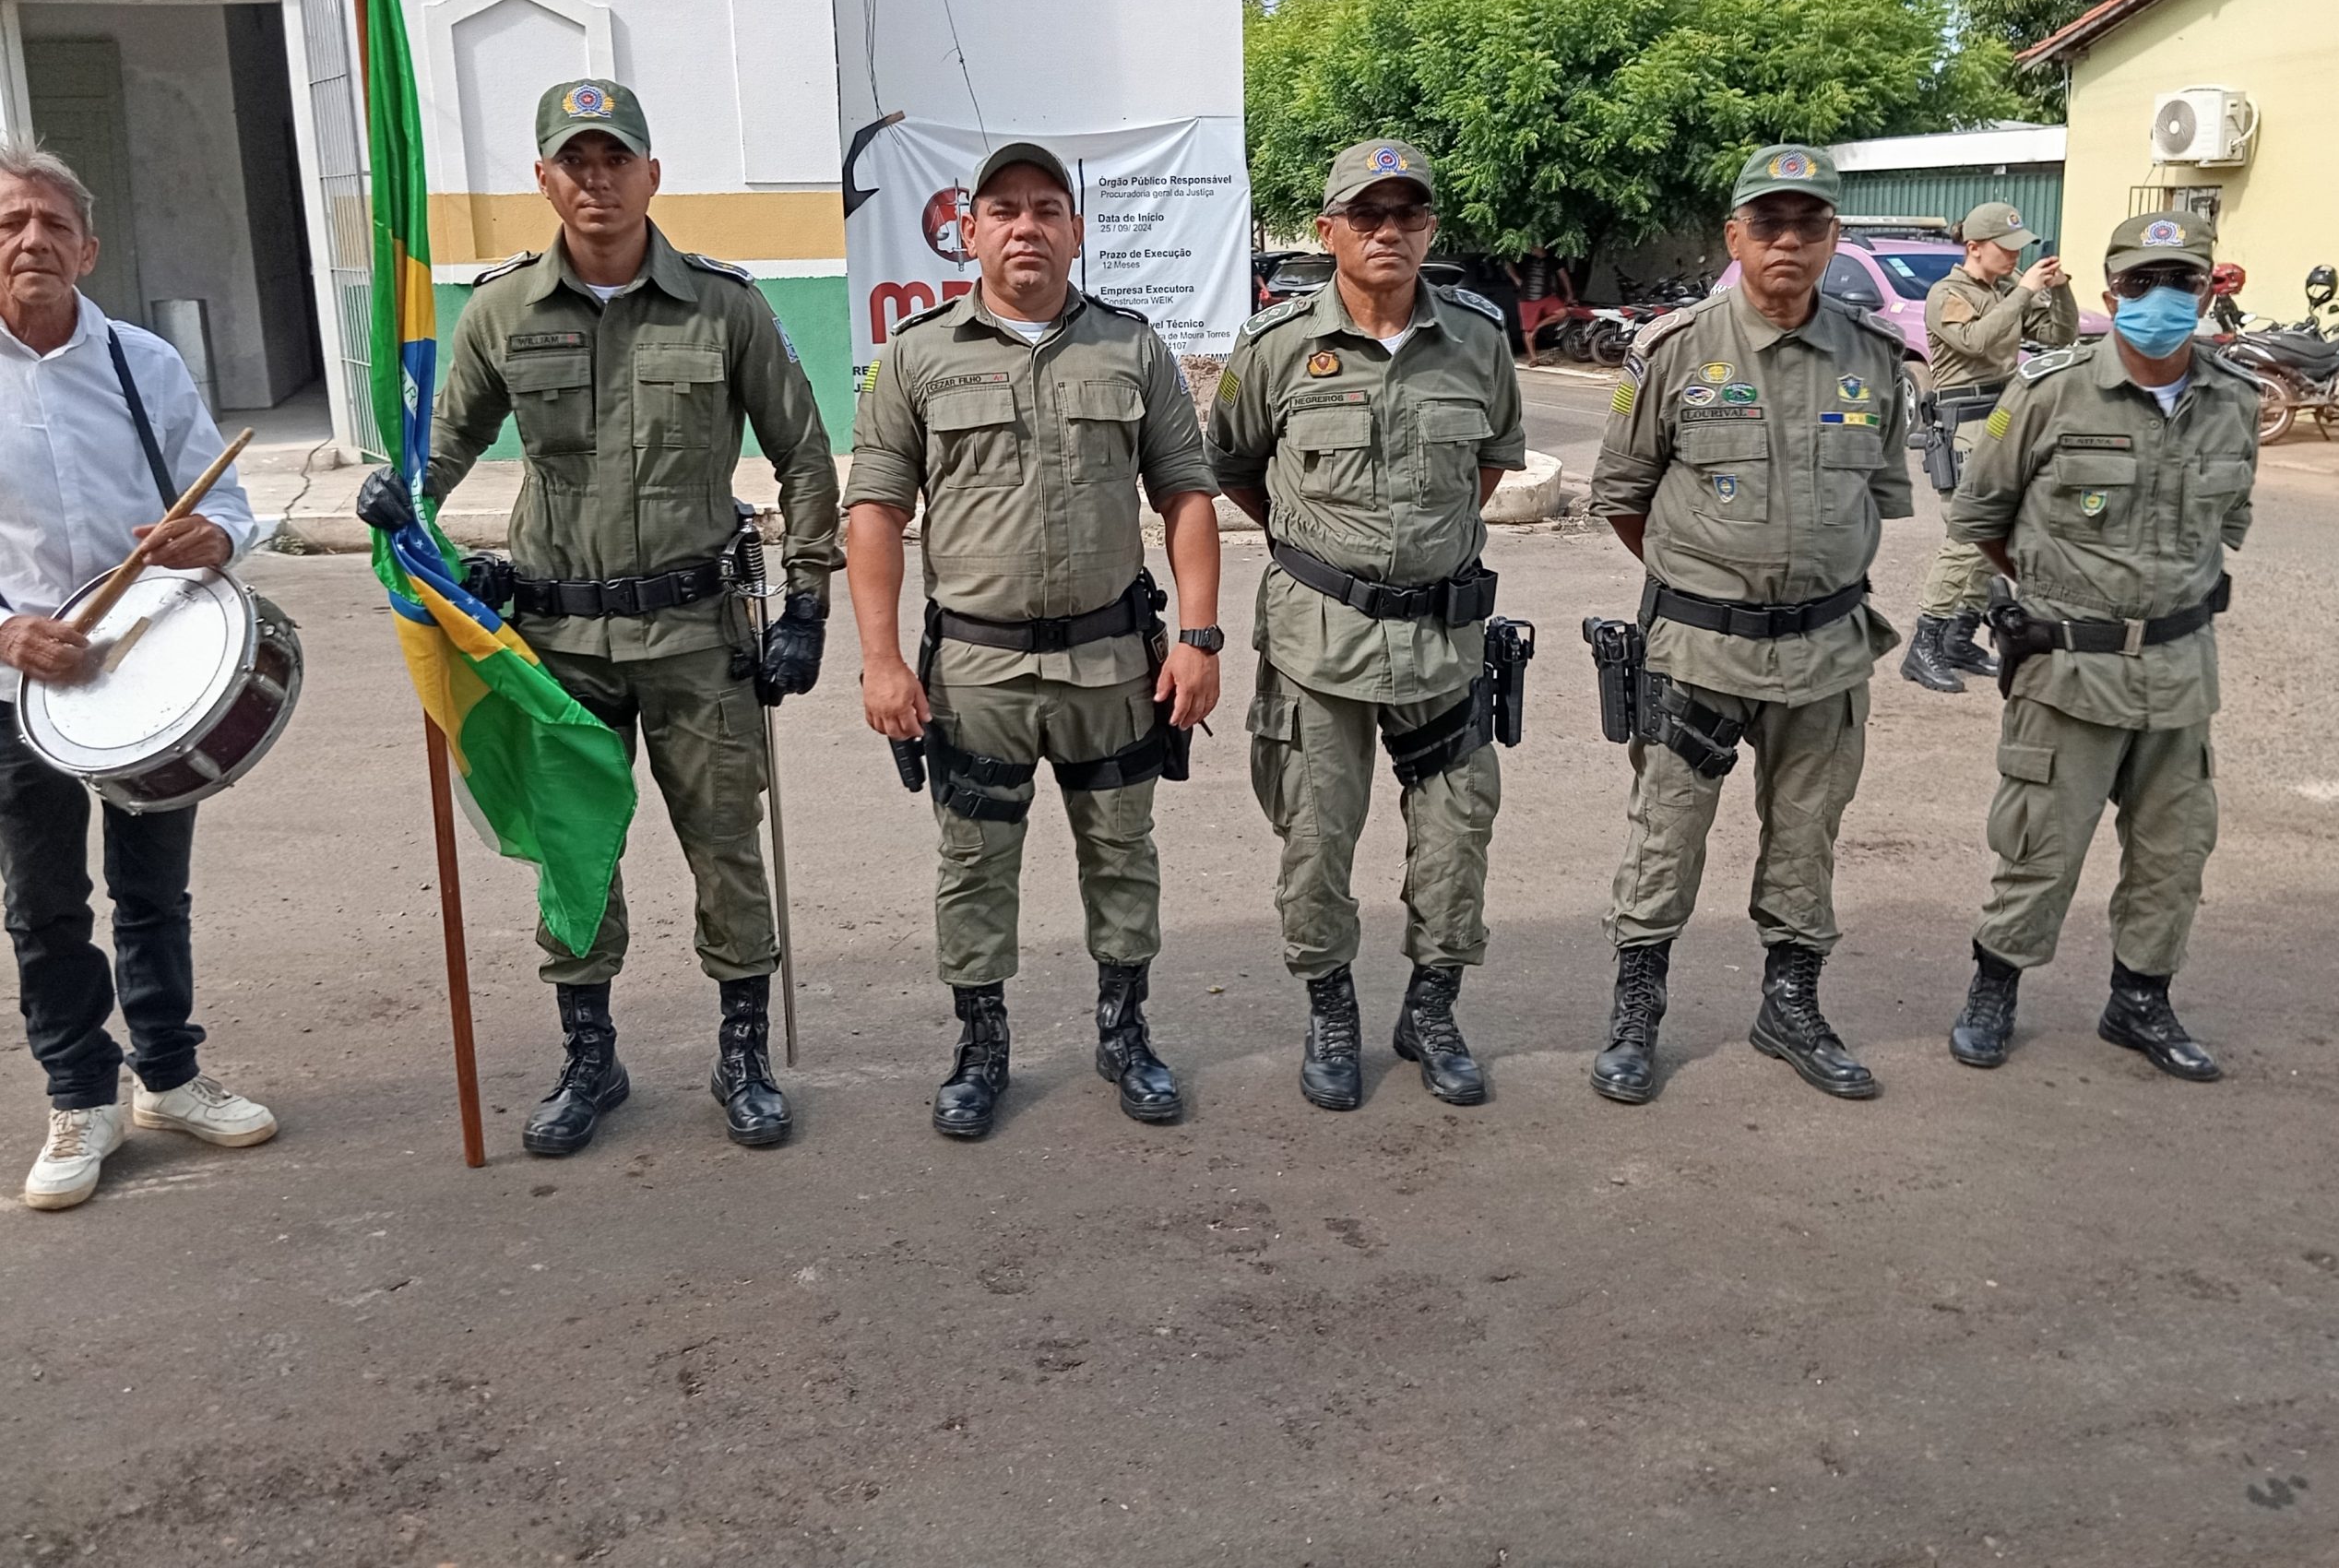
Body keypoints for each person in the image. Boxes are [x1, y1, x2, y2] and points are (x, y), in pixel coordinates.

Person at [356, 78, 840, 1157]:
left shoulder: (725, 305)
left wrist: (807, 602)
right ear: (543, 179)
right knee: (574, 851)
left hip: (698, 637)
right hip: (557, 644)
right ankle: (591, 1057)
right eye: (574, 161)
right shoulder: (500, 311)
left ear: (651, 172)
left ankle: (742, 1054)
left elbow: (805, 457)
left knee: (725, 845)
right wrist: (404, 499)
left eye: (614, 158)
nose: (596, 180)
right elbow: (444, 445)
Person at [844, 142, 1221, 1140]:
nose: (1026, 226)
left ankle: (1125, 1033)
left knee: (1122, 850)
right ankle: (980, 1048)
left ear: (1076, 231)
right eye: (1004, 209)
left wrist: (1198, 636)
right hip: (978, 670)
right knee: (974, 861)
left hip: (1112, 663)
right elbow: (875, 510)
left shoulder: (1131, 348)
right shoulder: (917, 355)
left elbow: (1185, 494)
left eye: (1047, 208)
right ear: (968, 232)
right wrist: (881, 659)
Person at [1586, 144, 1912, 1105]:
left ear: (1832, 239)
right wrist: (1705, 582)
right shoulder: (1673, 351)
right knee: (1666, 832)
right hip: (1698, 647)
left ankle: (1791, 1005)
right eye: (1768, 223)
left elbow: (1880, 496)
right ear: (1735, 237)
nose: (1787, 241)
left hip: (1826, 648)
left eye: (1808, 224)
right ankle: (1636, 1015)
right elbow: (1623, 493)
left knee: (1808, 834)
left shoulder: (1874, 357)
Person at [1205, 138, 1525, 1111]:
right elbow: (1235, 468)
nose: (1389, 230)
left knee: (1457, 835)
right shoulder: (1275, 347)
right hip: (1320, 642)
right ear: (1328, 230)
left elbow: (1488, 465)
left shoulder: (1478, 340)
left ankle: (1431, 1009)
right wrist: (1327, 555)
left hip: (1444, 643)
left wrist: (1420, 557)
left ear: (1429, 228)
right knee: (1315, 839)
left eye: (1407, 213)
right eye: (1367, 214)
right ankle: (1331, 1011)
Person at [0, 138, 277, 1212]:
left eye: (52, 224)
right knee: (44, 903)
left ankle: (167, 1073)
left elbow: (231, 506)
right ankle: (81, 1095)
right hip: (20, 685)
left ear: (88, 249)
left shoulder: (143, 363)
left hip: (150, 670)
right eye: (10, 223)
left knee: (153, 888)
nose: (31, 239)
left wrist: (213, 538)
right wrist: (8, 633)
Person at [1943, 212, 2253, 1080]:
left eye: (2181, 281)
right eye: (2143, 282)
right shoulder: (2049, 391)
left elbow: (2229, 523)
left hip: (2181, 673)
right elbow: (1981, 514)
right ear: (2112, 295)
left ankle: (2140, 1000)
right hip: (2069, 667)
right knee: (2040, 847)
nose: (2163, 298)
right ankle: (1995, 988)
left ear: (2207, 292)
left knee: (2174, 853)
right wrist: (2061, 595)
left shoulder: (2235, 400)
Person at [1901, 203, 2081, 693]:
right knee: (1966, 536)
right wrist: (2023, 293)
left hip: (2005, 417)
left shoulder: (2006, 289)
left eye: (2019, 248)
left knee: (2000, 533)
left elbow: (2060, 335)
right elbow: (1977, 341)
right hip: (1965, 423)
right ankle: (1924, 642)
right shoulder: (1948, 294)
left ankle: (1959, 635)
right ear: (1974, 247)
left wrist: (2059, 290)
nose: (2015, 257)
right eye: (2006, 248)